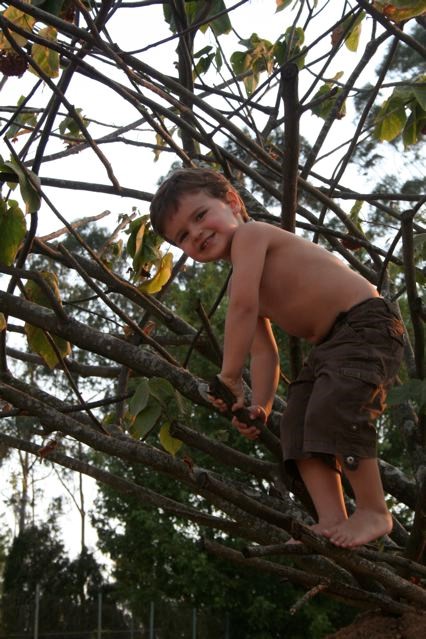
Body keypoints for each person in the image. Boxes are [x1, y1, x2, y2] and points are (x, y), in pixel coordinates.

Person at [149, 167, 404, 549]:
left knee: (337, 407)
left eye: (200, 215)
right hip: (331, 346)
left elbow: (243, 309)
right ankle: (331, 520)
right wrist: (262, 406)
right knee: (296, 423)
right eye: (182, 236)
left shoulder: (251, 235)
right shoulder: (240, 279)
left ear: (232, 202)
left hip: (365, 323)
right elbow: (264, 352)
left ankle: (373, 511)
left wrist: (229, 376)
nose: (196, 233)